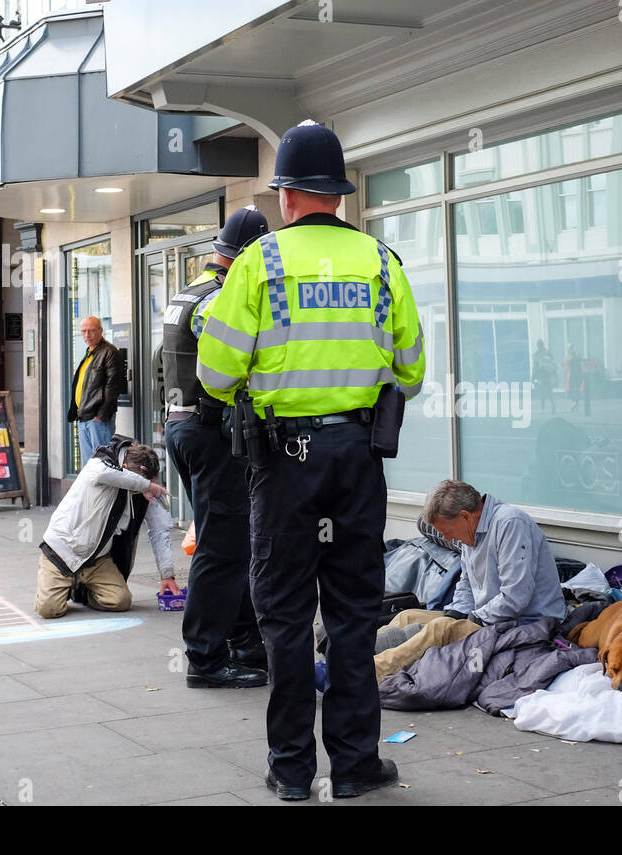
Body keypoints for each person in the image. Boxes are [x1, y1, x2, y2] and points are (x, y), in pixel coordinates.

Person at [196, 120, 426, 801]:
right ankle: (355, 766)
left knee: (286, 617)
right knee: (355, 615)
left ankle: (293, 771)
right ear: (338, 194)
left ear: (288, 194)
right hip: (358, 459)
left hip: (284, 462)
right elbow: (410, 370)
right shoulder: (382, 263)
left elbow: (213, 375)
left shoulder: (257, 266)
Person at [163, 206, 271, 689]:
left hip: (183, 425)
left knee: (232, 539)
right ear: (246, 254)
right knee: (221, 546)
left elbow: (160, 364)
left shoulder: (188, 293)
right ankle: (205, 659)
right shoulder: (221, 299)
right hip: (211, 432)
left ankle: (244, 641)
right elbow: (228, 366)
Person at [373, 479, 566, 681]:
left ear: (465, 516)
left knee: (439, 629)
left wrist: (471, 617)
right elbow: (466, 584)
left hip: (525, 626)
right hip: (486, 618)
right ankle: (355, 653)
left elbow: (515, 597)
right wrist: (457, 610)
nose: (447, 540)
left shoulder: (510, 524)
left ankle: (373, 672)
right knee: (408, 617)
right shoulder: (470, 530)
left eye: (447, 532)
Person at [34, 436, 178, 619]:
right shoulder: (100, 463)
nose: (140, 492)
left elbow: (159, 530)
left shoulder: (146, 490)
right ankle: (60, 583)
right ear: (126, 469)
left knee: (121, 601)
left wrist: (167, 574)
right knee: (49, 609)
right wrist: (146, 485)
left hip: (97, 559)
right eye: (138, 484)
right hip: (62, 553)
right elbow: (103, 474)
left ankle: (83, 590)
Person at [68, 317, 125, 464]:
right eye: (84, 331)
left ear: (100, 331)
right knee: (89, 468)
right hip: (84, 417)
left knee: (102, 465)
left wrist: (101, 415)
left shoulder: (109, 352)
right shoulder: (89, 353)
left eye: (91, 331)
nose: (87, 335)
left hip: (98, 420)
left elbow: (113, 386)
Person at [532, 339, 557, 414]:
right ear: (543, 345)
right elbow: (553, 364)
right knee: (549, 391)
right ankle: (553, 404)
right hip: (548, 376)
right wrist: (554, 374)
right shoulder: (548, 353)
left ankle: (542, 409)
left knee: (542, 393)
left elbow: (535, 367)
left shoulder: (536, 354)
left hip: (540, 376)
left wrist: (533, 377)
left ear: (538, 345)